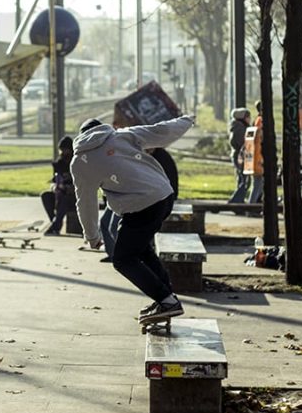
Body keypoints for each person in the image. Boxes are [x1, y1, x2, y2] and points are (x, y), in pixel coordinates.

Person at [72, 114, 195, 324]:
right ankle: (166, 297)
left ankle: (167, 300)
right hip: (164, 195)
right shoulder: (121, 136)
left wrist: (92, 236)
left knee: (123, 259)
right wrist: (186, 120)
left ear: (80, 137)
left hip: (140, 205)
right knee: (140, 249)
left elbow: (86, 202)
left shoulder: (80, 162)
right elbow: (160, 130)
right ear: (102, 128)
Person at [40, 136, 75, 235]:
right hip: (60, 192)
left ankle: (55, 226)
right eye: (61, 150)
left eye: (65, 150)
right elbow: (55, 180)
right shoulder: (59, 163)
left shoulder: (76, 163)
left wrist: (70, 188)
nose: (63, 153)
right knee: (45, 195)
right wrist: (54, 186)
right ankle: (55, 222)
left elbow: (83, 181)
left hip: (73, 195)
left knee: (64, 199)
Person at [228, 108, 251, 203]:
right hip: (240, 156)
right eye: (248, 117)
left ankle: (239, 200)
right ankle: (235, 200)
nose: (249, 119)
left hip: (239, 155)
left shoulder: (238, 127)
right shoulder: (240, 128)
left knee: (242, 179)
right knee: (245, 180)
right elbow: (243, 142)